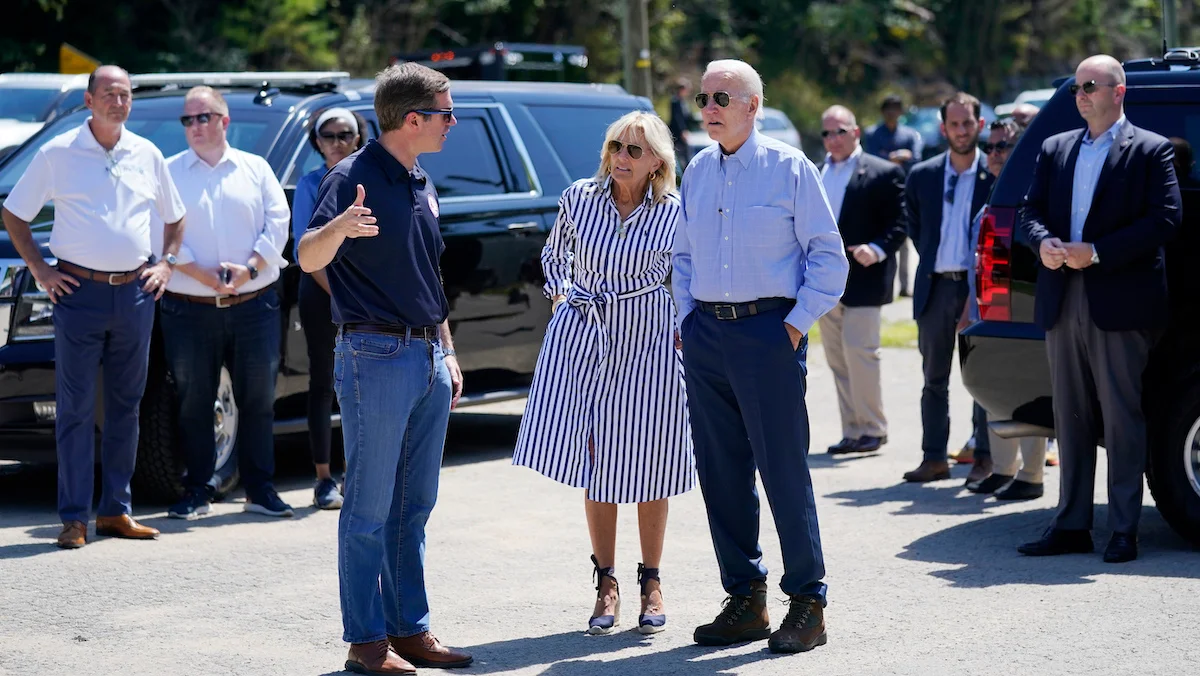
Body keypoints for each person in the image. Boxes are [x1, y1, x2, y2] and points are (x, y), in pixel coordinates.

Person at [298, 62, 472, 674]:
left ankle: (409, 629)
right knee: (368, 509)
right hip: (373, 355)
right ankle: (366, 644)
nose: (454, 123)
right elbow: (306, 254)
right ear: (412, 118)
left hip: (426, 353)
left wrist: (446, 350)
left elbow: (431, 276)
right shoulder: (352, 178)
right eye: (446, 113)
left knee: (414, 505)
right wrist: (339, 229)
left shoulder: (419, 180)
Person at [674, 59, 847, 654]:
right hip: (706, 338)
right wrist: (685, 319)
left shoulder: (789, 167)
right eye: (703, 97)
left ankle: (808, 601)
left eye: (721, 96)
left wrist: (795, 327)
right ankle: (745, 598)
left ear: (753, 104)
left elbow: (829, 258)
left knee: (783, 469)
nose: (709, 107)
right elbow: (683, 257)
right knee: (721, 473)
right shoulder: (697, 169)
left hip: (769, 334)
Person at [512, 111, 693, 636]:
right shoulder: (579, 197)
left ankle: (652, 581)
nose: (622, 158)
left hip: (651, 340)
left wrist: (685, 330)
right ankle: (606, 581)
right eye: (617, 145)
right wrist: (562, 293)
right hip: (585, 333)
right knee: (597, 462)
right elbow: (554, 254)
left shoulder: (674, 213)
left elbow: (686, 277)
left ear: (658, 160)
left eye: (635, 150)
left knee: (652, 460)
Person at [0, 65, 186, 549]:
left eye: (124, 94)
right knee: (76, 409)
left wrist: (165, 264)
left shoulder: (146, 153)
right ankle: (74, 518)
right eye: (108, 93)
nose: (118, 101)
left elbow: (176, 217)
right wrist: (41, 271)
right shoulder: (57, 153)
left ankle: (116, 512)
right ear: (88, 100)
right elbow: (14, 214)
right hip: (77, 294)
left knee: (126, 406)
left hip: (135, 294)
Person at [1017, 55, 1181, 563]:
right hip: (1063, 294)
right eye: (1075, 88)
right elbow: (1029, 210)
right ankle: (1071, 525)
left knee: (1122, 416)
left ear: (1119, 91)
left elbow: (1166, 219)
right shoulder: (1055, 146)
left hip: (1118, 297)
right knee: (1071, 417)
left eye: (1090, 85)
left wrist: (1099, 250)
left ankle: (1124, 528)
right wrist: (1042, 242)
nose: (1081, 94)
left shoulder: (1151, 150)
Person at [160, 86, 293, 520]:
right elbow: (153, 230)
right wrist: (197, 272)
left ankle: (260, 490)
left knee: (257, 401)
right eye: (188, 120)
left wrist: (250, 269)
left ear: (224, 121)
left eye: (203, 117)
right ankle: (197, 489)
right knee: (193, 401)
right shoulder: (169, 172)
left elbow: (279, 222)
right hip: (188, 307)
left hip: (254, 304)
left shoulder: (255, 169)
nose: (195, 126)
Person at [901, 92, 994, 485]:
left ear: (980, 125)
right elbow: (916, 227)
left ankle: (985, 457)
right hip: (936, 287)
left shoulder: (994, 175)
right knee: (933, 379)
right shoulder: (922, 175)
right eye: (953, 125)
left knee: (983, 378)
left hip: (979, 290)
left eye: (967, 124)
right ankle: (934, 457)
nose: (960, 131)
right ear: (943, 128)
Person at [961, 118, 1048, 500]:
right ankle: (1003, 469)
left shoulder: (1028, 195)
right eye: (991, 146)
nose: (994, 154)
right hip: (987, 305)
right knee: (995, 389)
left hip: (1020, 305)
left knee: (1023, 385)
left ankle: (1030, 475)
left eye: (1003, 147)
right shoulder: (994, 193)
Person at [816, 105, 905, 456]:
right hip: (825, 280)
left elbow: (901, 222)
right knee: (837, 360)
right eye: (827, 133)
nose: (833, 139)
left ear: (856, 132)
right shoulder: (815, 171)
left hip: (865, 279)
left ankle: (873, 428)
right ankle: (852, 430)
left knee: (860, 354)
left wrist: (878, 248)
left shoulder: (883, 172)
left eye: (840, 131)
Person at [291, 107, 368, 510]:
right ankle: (324, 478)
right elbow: (307, 251)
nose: (336, 142)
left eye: (344, 134)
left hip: (366, 296)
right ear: (316, 142)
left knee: (362, 387)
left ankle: (360, 475)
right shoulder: (309, 184)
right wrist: (341, 297)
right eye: (328, 135)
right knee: (323, 383)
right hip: (324, 294)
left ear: (358, 137)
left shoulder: (371, 177)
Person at [864, 94, 924, 298]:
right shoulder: (873, 133)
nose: (892, 112)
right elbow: (869, 159)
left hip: (903, 192)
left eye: (896, 108)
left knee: (904, 239)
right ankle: (885, 285)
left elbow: (915, 160)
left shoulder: (909, 134)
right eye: (888, 108)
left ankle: (906, 286)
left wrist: (895, 158)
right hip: (878, 192)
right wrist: (895, 157)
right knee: (882, 239)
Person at [669, 78, 692, 170]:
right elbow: (677, 118)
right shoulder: (675, 101)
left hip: (683, 133)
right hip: (677, 134)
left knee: (686, 155)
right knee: (680, 156)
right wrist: (683, 131)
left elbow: (688, 117)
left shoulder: (683, 102)